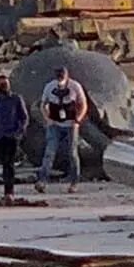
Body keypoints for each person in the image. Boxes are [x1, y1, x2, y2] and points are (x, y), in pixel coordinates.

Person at [36, 64, 87, 193]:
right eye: (58, 77)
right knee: (49, 152)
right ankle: (42, 180)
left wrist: (77, 120)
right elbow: (43, 104)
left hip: (71, 123)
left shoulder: (75, 86)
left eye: (62, 77)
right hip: (55, 124)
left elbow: (83, 104)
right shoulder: (49, 87)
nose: (60, 80)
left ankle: (74, 181)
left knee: (72, 152)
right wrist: (47, 118)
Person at [0, 73, 30, 205]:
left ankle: (10, 191)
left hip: (12, 135)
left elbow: (24, 117)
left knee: (10, 164)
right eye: (2, 85)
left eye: (6, 84)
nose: (5, 87)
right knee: (5, 164)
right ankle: (7, 191)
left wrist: (19, 132)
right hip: (0, 136)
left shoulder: (16, 99)